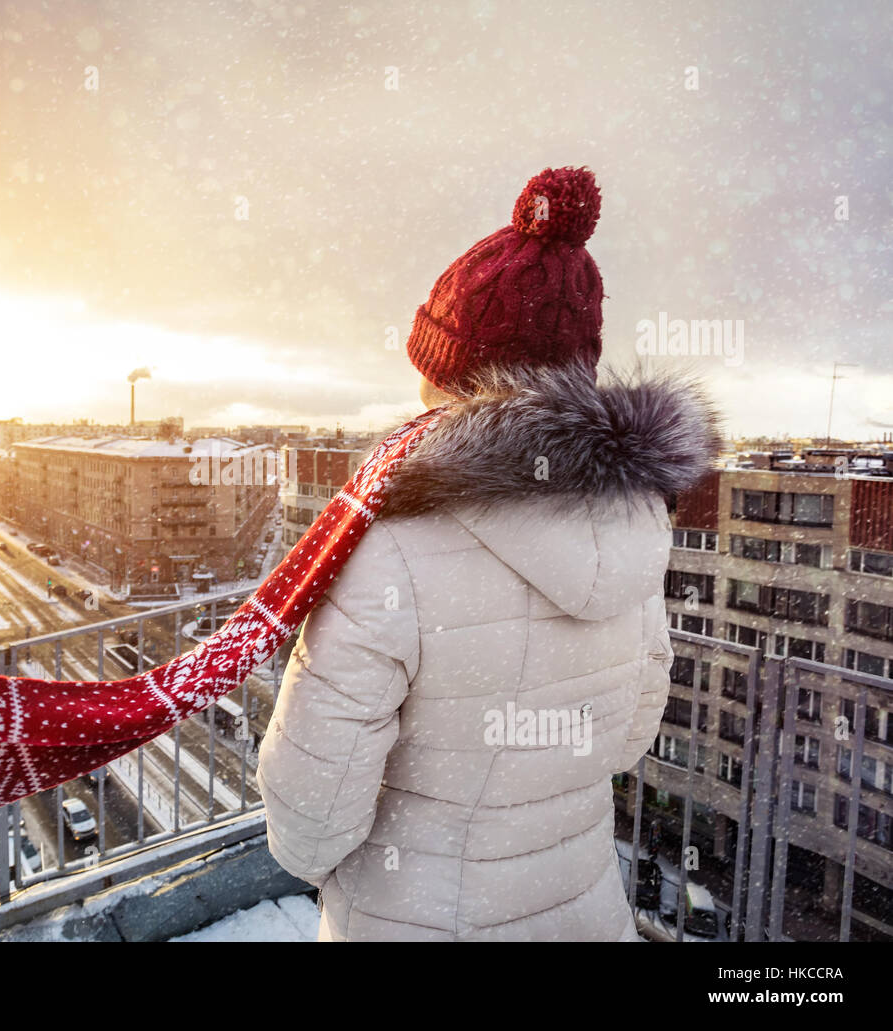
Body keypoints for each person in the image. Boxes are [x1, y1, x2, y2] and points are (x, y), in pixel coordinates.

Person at [255, 166, 721, 941]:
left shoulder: (391, 543)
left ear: (449, 380)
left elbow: (309, 813)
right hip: (584, 909)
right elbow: (631, 734)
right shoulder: (634, 524)